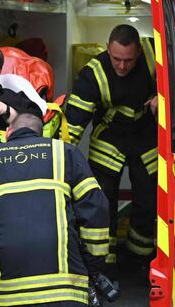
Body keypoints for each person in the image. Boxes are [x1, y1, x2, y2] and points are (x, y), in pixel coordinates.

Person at [0, 113, 110, 306]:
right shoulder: (65, 153)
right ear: (41, 133)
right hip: (66, 289)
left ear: (8, 133)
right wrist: (93, 267)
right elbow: (96, 210)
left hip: (7, 291)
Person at [64, 24, 157, 278]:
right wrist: (59, 161)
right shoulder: (92, 73)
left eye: (128, 60)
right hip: (110, 141)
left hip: (146, 138)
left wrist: (165, 97)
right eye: (116, 59)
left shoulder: (154, 52)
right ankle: (105, 264)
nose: (122, 66)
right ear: (107, 49)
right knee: (102, 204)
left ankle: (139, 258)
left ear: (138, 51)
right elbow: (73, 123)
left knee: (150, 202)